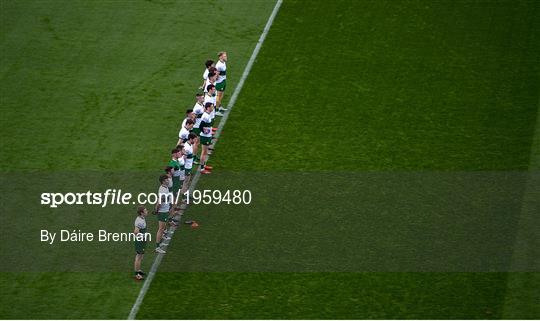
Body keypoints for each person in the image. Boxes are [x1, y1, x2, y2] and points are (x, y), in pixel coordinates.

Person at [153, 174, 172, 254]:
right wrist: (156, 210)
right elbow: (160, 201)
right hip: (162, 211)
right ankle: (157, 247)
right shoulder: (163, 190)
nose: (168, 180)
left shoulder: (165, 187)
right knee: (160, 229)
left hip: (165, 210)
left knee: (163, 227)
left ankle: (162, 237)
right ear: (163, 181)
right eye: (167, 180)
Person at [133, 206, 149, 280]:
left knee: (140, 256)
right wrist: (143, 236)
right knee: (139, 257)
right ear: (142, 213)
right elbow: (136, 232)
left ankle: (138, 270)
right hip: (140, 241)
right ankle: (137, 274)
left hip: (141, 241)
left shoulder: (141, 218)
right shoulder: (139, 221)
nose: (147, 211)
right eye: (145, 210)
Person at [198, 102, 214, 174]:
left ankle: (204, 165)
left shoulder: (208, 114)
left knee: (205, 152)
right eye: (211, 106)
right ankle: (202, 169)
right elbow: (200, 126)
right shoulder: (205, 116)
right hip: (205, 137)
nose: (213, 107)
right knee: (204, 152)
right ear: (208, 108)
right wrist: (205, 132)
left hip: (207, 136)